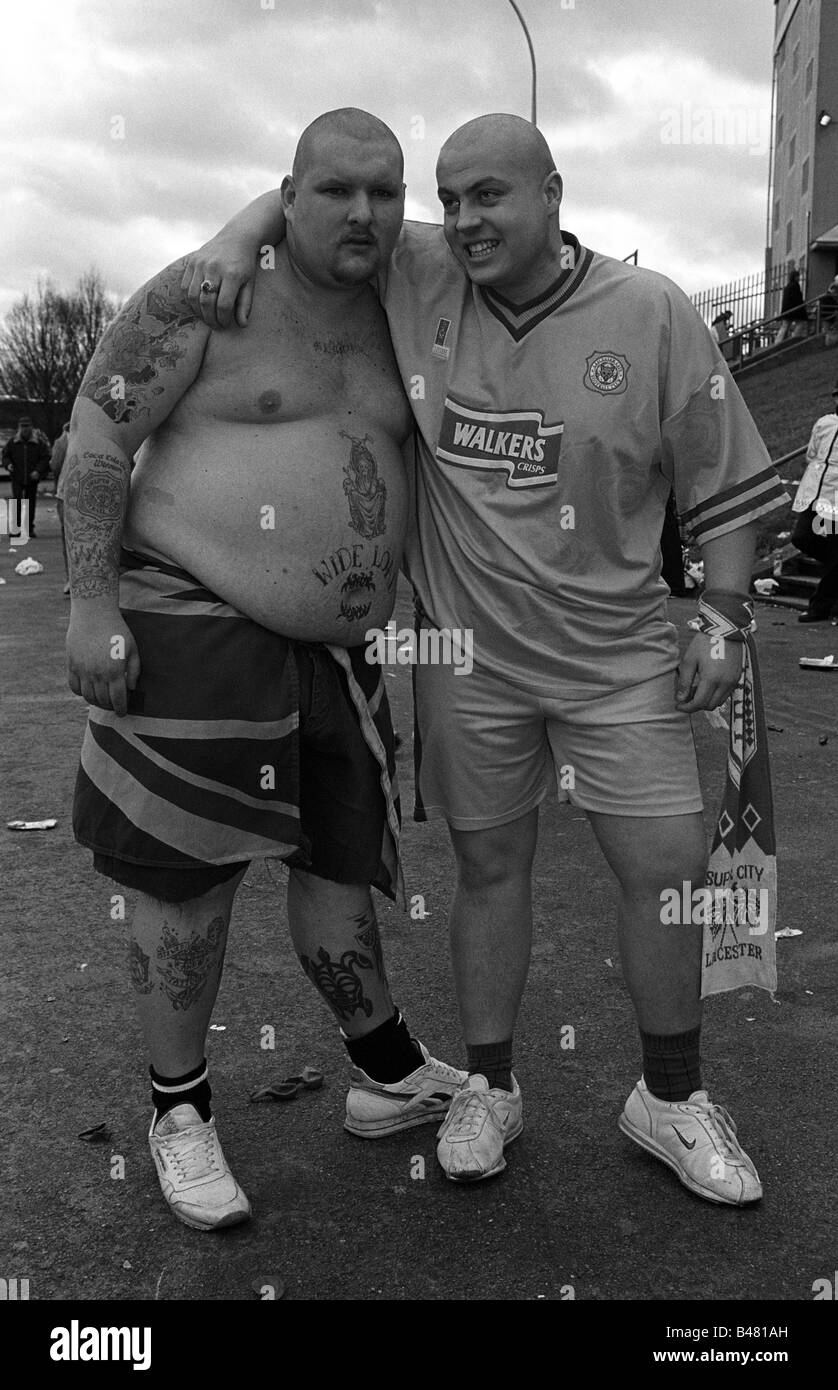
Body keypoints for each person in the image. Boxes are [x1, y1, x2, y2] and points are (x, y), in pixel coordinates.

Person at [185, 111, 789, 1206]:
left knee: (663, 875)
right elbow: (320, 191)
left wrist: (725, 616)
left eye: (488, 197)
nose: (460, 219)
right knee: (487, 871)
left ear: (552, 194)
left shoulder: (650, 315)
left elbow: (724, 479)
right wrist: (235, 238)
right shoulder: (420, 271)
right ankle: (490, 1087)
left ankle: (668, 1098)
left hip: (621, 659)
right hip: (469, 661)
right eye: (450, 197)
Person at [64, 108, 464, 1234]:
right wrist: (92, 603)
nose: (364, 214)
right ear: (285, 192)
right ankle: (179, 1112)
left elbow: (502, 239)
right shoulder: (208, 292)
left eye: (384, 194)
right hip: (192, 621)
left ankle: (385, 1067)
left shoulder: (410, 299)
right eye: (335, 190)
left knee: (340, 869)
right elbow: (96, 440)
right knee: (186, 884)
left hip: (336, 655)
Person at [790, 380, 838, 622]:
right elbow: (812, 453)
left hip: (834, 503)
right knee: (802, 537)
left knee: (832, 545)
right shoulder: (825, 423)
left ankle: (820, 606)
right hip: (814, 496)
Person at [2, 416, 49, 537]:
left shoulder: (38, 443)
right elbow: (5, 456)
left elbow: (45, 458)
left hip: (32, 477)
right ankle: (16, 529)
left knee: (30, 503)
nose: (25, 429)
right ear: (19, 427)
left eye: (27, 426)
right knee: (17, 501)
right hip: (17, 477)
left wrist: (38, 471)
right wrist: (9, 465)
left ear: (31, 427)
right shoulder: (13, 442)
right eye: (22, 426)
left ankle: (29, 528)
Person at [50, 422, 71, 594]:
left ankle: (71, 579)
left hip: (66, 493)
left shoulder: (63, 440)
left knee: (68, 538)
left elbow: (55, 465)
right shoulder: (101, 430)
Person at [774, 268, 808, 343]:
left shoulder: (788, 286)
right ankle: (794, 338)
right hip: (794, 310)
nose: (799, 278)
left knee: (785, 326)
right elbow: (797, 299)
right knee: (801, 322)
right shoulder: (795, 286)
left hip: (787, 310)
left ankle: (778, 342)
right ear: (794, 277)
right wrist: (802, 306)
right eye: (797, 276)